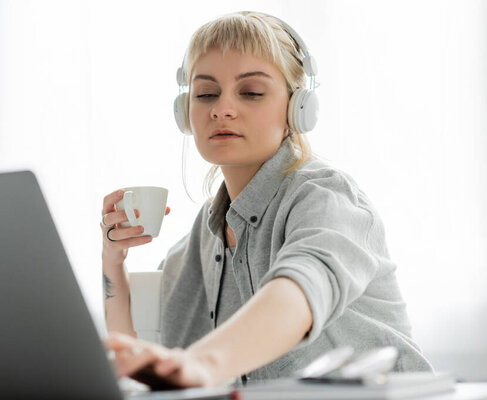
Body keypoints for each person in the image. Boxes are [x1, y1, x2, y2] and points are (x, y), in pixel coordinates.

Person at [100, 11, 432, 389]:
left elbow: (299, 288)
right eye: (205, 93)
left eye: (252, 92)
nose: (221, 108)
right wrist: (113, 260)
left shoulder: (326, 198)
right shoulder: (204, 236)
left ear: (297, 110)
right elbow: (138, 356)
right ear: (185, 113)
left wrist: (206, 363)